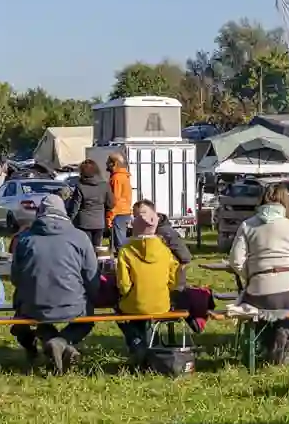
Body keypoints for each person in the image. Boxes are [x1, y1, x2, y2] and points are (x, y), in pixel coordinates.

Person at [10, 194, 101, 372]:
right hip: (72, 303)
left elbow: (15, 278)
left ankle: (53, 342)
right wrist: (94, 296)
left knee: (28, 317)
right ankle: (61, 342)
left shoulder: (25, 239)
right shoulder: (80, 237)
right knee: (86, 319)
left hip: (32, 305)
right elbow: (91, 275)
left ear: (40, 212)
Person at [228, 183, 289, 311]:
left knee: (257, 308)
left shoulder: (247, 226)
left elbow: (235, 261)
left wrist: (252, 275)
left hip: (261, 291)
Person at [114, 216, 181, 361]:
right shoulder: (165, 250)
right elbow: (173, 279)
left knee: (119, 311)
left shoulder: (125, 251)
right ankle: (147, 347)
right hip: (162, 304)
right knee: (144, 312)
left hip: (134, 304)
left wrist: (127, 294)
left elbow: (124, 285)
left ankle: (137, 343)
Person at [129, 199, 192, 289]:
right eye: (135, 217)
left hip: (168, 281)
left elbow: (185, 257)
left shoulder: (166, 232)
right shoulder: (141, 232)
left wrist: (178, 281)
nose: (137, 220)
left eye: (139, 216)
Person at [68, 158, 112, 252]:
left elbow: (75, 207)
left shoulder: (80, 187)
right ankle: (96, 265)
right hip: (99, 222)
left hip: (83, 222)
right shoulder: (105, 185)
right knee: (97, 248)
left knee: (85, 249)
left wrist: (69, 220)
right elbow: (111, 203)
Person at [106, 151, 133, 252]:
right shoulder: (124, 176)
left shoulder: (116, 178)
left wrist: (110, 216)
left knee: (119, 244)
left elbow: (115, 199)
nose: (106, 164)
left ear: (114, 163)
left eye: (108, 162)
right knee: (122, 240)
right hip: (124, 211)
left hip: (118, 214)